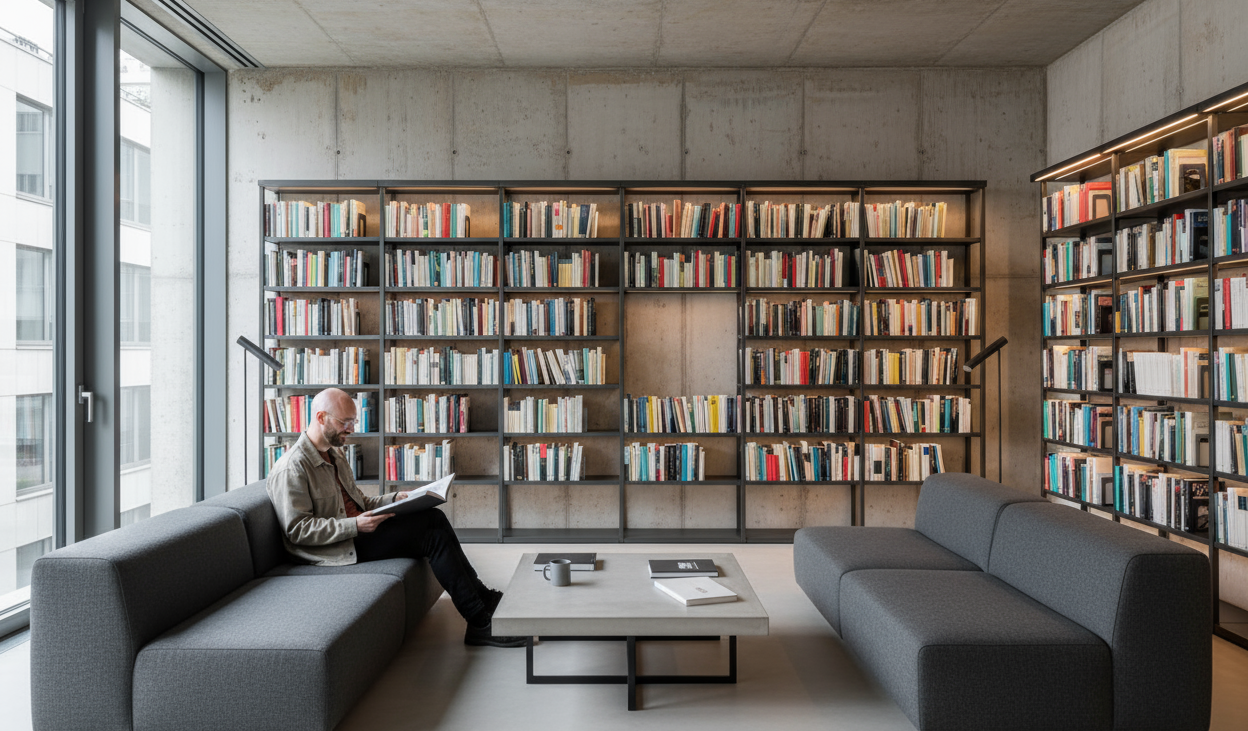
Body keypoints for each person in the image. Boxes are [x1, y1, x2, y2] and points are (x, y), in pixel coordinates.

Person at [265, 387, 526, 648]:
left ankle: (482, 598)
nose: (351, 429)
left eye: (353, 421)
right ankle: (480, 621)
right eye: (345, 422)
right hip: (340, 547)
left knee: (433, 517)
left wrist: (395, 498)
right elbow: (298, 530)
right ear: (321, 418)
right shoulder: (292, 467)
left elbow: (360, 503)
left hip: (360, 530)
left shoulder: (335, 454)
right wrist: (355, 524)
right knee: (430, 531)